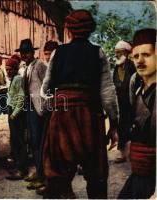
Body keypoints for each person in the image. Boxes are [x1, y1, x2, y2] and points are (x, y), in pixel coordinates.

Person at [41, 10, 119, 198]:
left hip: (62, 114)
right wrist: (114, 124)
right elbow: (108, 93)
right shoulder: (97, 52)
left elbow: (45, 89)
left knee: (56, 170)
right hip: (89, 116)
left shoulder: (58, 53)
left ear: (69, 30)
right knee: (96, 172)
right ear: (90, 30)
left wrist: (57, 104)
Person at [118, 28, 156, 199]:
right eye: (136, 56)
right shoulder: (136, 84)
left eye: (146, 55)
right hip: (140, 169)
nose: (140, 61)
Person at [16, 39, 47, 191]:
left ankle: (43, 176)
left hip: (39, 108)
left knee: (39, 141)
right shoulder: (27, 68)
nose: (24, 55)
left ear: (32, 53)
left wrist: (46, 106)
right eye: (22, 53)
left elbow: (48, 84)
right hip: (29, 107)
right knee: (32, 141)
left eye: (27, 52)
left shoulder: (40, 65)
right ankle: (39, 172)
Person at [4, 56, 28, 180]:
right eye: (6, 69)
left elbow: (21, 97)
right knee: (14, 141)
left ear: (15, 69)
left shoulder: (18, 79)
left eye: (10, 69)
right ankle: (18, 166)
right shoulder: (13, 79)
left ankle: (22, 169)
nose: (8, 72)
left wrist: (14, 113)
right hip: (12, 110)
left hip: (16, 113)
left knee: (19, 141)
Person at [113, 40, 136, 163]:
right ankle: (122, 154)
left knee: (133, 126)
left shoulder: (132, 66)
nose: (116, 54)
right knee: (121, 127)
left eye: (118, 52)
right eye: (115, 52)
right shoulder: (116, 67)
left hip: (131, 103)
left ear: (125, 53)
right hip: (119, 103)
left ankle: (133, 153)